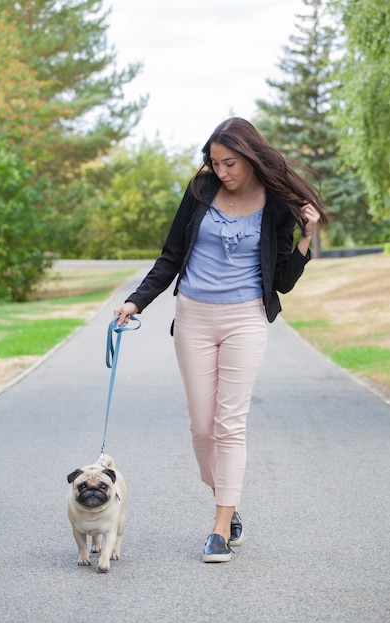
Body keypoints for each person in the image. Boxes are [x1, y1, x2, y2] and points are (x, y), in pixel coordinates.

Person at [115, 117, 329, 563]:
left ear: (250, 158)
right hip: (193, 316)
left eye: (229, 163)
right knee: (201, 427)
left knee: (230, 424)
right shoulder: (200, 192)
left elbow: (283, 280)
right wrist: (136, 302)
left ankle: (219, 525)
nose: (222, 171)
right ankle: (227, 498)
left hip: (245, 319)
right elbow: (172, 255)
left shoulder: (277, 207)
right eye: (214, 162)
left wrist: (306, 237)